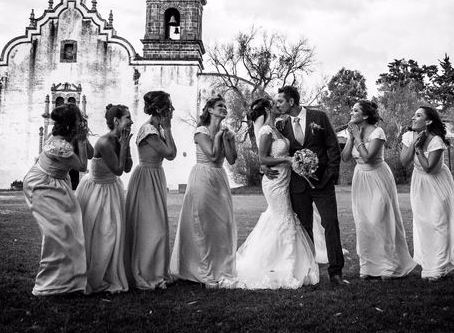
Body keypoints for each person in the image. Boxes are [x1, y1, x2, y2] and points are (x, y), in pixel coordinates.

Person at [235, 98, 319, 289]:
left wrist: (296, 161)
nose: (278, 106)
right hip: (274, 181)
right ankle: (280, 265)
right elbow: (262, 158)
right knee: (284, 217)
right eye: (274, 105)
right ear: (267, 109)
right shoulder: (265, 130)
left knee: (281, 217)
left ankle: (282, 262)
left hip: (285, 178)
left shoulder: (277, 128)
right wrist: (288, 160)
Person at [271, 85, 345, 285]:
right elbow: (275, 151)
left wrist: (330, 174)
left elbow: (333, 146)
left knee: (330, 222)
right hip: (298, 185)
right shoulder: (281, 125)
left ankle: (336, 271)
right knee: (304, 228)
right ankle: (310, 272)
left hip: (323, 182)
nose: (277, 105)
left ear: (291, 101)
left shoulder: (318, 117)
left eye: (280, 101)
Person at [342, 100, 416, 280]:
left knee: (379, 220)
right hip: (360, 178)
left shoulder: (378, 132)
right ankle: (368, 267)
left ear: (365, 115)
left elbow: (368, 157)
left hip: (377, 177)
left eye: (356, 110)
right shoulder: (352, 132)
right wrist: (351, 138)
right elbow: (345, 158)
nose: (352, 112)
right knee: (364, 222)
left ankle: (387, 266)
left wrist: (358, 138)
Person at [170, 95, 238, 288]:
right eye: (219, 106)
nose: (224, 108)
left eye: (225, 106)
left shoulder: (227, 132)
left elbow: (232, 159)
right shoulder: (200, 131)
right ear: (210, 110)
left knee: (223, 224)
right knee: (204, 225)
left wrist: (230, 140)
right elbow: (213, 155)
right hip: (202, 177)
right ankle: (206, 273)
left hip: (219, 178)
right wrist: (217, 137)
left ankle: (223, 270)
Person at [22, 103, 89, 296]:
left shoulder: (61, 138)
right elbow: (83, 166)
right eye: (79, 118)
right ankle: (48, 284)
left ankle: (68, 281)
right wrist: (82, 141)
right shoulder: (61, 146)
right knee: (57, 232)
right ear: (71, 123)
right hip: (42, 185)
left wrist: (81, 137)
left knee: (69, 229)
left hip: (55, 182)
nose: (82, 120)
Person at [75, 104, 132, 294]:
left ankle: (109, 272)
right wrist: (123, 146)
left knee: (113, 234)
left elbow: (128, 167)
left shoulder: (121, 139)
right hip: (97, 192)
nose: (131, 121)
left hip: (112, 189)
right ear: (116, 121)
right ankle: (93, 277)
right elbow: (118, 169)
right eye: (127, 118)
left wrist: (126, 146)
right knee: (102, 234)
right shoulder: (105, 142)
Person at [400, 106, 454, 281]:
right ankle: (428, 262)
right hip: (419, 184)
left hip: (437, 183)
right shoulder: (408, 136)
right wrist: (413, 143)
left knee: (439, 222)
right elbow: (404, 161)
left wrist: (418, 148)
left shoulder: (436, 141)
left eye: (418, 115)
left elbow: (429, 168)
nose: (413, 118)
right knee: (423, 222)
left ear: (428, 121)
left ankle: (439, 266)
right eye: (414, 114)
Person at [125, 91, 177, 290]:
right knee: (150, 228)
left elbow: (172, 153)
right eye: (169, 107)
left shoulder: (158, 130)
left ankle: (156, 271)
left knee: (158, 227)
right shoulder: (148, 130)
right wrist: (169, 128)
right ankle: (146, 273)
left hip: (156, 176)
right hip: (146, 178)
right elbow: (170, 154)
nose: (172, 110)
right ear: (160, 110)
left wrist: (167, 129)